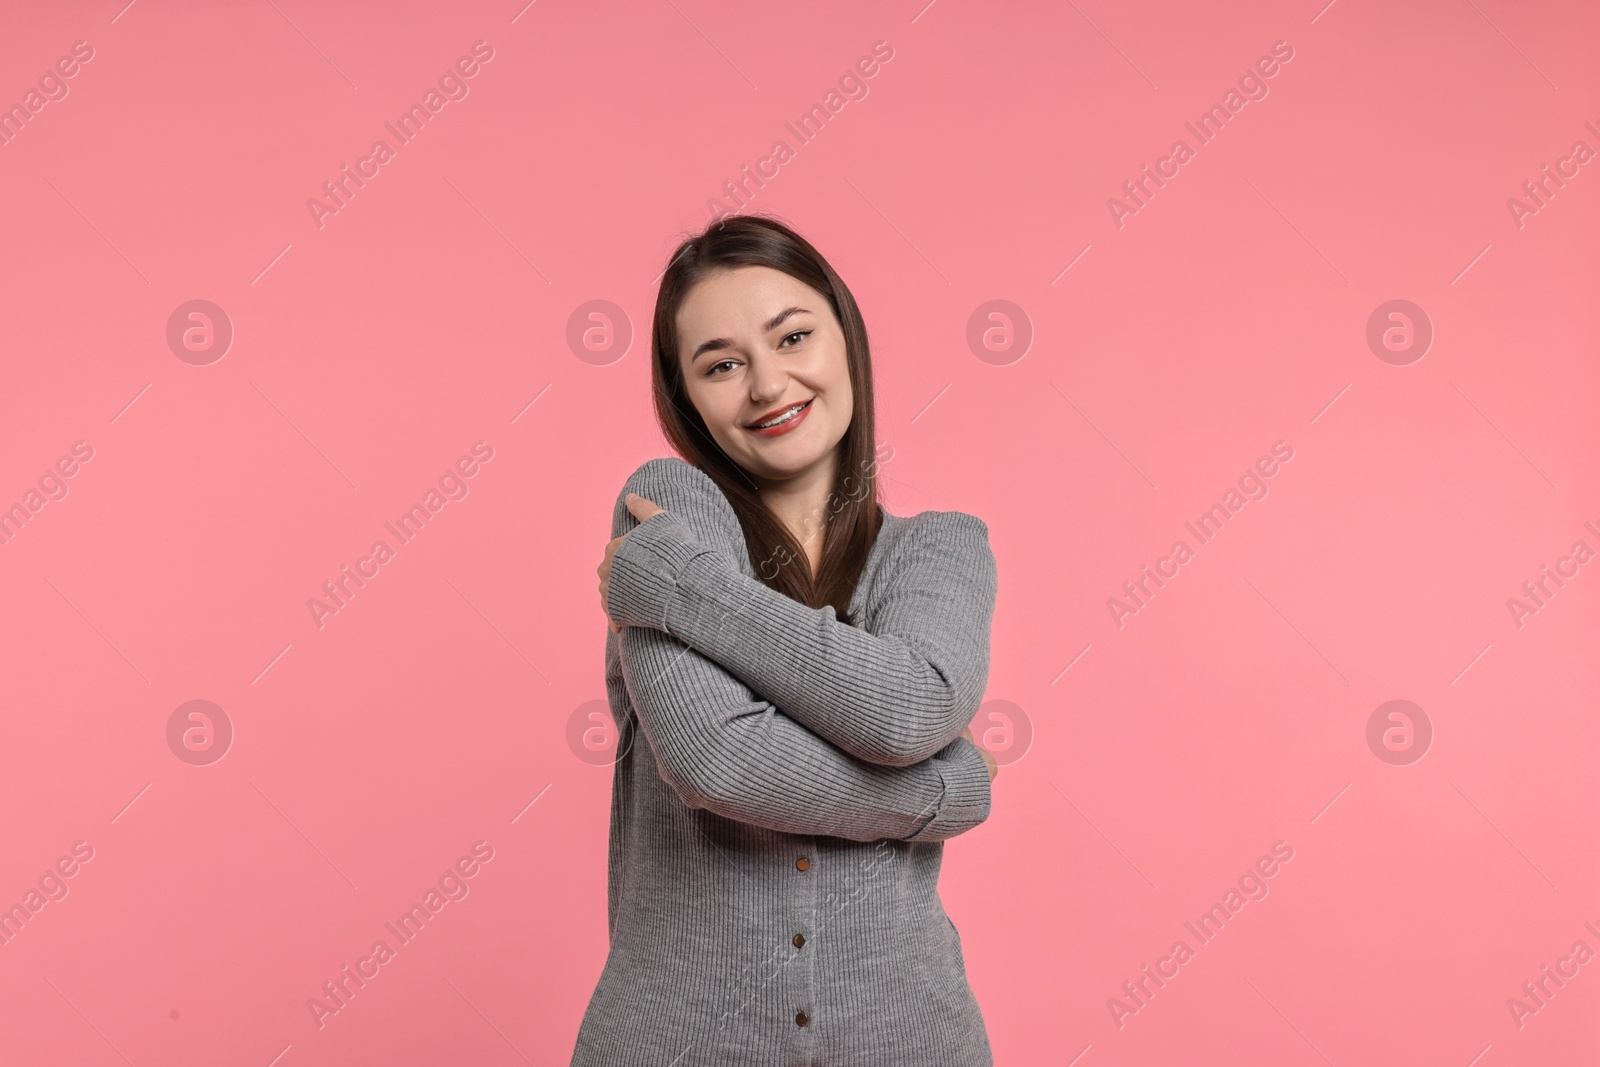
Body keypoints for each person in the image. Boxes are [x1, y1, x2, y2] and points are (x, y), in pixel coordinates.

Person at [574, 214, 1000, 1066]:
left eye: (793, 336)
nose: (768, 384)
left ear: (845, 338)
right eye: (722, 364)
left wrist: (677, 587)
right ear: (686, 397)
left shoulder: (940, 548)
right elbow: (717, 761)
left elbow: (906, 709)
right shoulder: (668, 509)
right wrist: (947, 792)